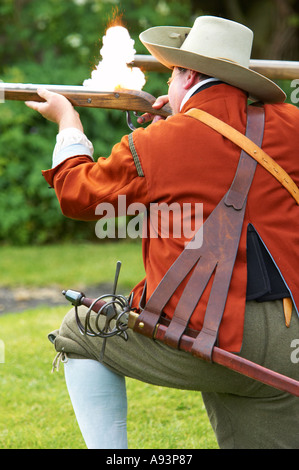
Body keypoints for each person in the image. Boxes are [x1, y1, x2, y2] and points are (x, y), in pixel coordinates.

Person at [25, 16, 299, 449]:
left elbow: (79, 195)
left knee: (81, 328)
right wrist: (182, 119)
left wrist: (68, 126)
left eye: (173, 71)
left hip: (213, 333)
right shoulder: (292, 123)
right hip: (291, 339)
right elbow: (223, 144)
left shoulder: (159, 141)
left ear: (188, 75)